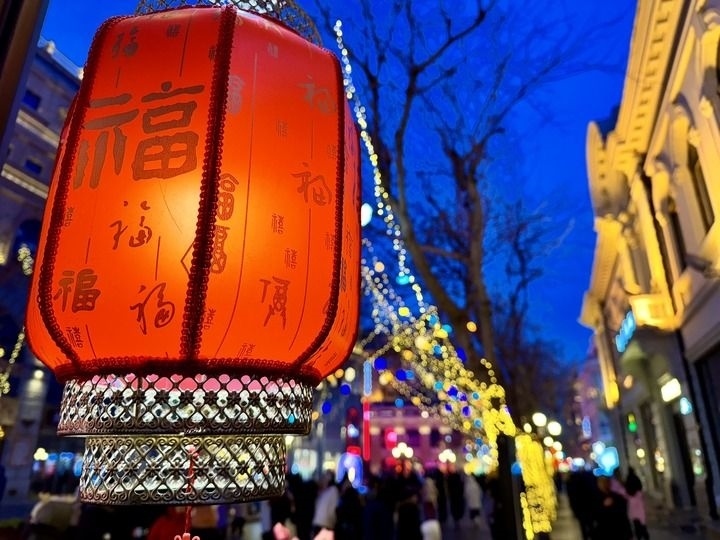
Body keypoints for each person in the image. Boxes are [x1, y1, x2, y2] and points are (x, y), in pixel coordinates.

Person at [591, 476, 632, 540]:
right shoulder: (596, 499)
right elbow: (594, 516)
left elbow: (623, 515)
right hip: (605, 532)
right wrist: (603, 506)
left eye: (606, 482)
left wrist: (629, 533)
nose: (604, 485)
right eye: (602, 483)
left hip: (619, 531)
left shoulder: (617, 497)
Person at [312, 471, 340, 536]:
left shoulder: (333, 490)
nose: (323, 479)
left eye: (326, 477)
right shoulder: (322, 491)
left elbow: (333, 509)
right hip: (318, 524)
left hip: (326, 525)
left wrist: (332, 523)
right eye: (324, 477)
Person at [625, 467, 649, 539]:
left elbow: (626, 489)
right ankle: (645, 535)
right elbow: (640, 486)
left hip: (632, 501)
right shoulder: (635, 478)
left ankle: (639, 536)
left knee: (636, 522)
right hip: (638, 500)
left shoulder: (628, 479)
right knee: (642, 521)